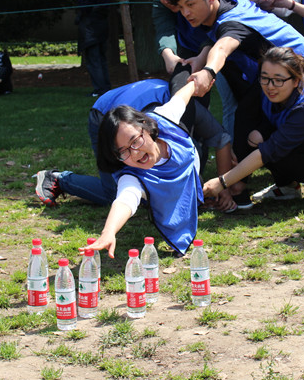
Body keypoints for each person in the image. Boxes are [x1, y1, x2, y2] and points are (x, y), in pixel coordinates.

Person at [166, 0, 304, 208]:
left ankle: (238, 188)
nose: (185, 12)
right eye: (181, 7)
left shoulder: (231, 22)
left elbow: (223, 47)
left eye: (190, 4)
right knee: (249, 119)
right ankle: (273, 185)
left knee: (257, 122)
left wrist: (208, 71)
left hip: (297, 66)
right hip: (276, 67)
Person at [35, 79, 236, 257]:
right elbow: (125, 199)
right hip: (104, 113)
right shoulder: (131, 176)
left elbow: (181, 97)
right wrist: (109, 232)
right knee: (111, 193)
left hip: (144, 97)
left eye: (136, 142)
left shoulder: (165, 117)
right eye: (123, 152)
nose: (135, 154)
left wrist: (199, 78)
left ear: (147, 128)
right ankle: (58, 178)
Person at [203, 47, 304, 213]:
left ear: (296, 80)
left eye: (278, 80)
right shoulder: (269, 89)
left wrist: (223, 182)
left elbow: (272, 148)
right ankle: (287, 187)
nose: (270, 86)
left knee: (277, 149)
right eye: (264, 78)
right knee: (259, 139)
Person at [152, 0, 237, 140]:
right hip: (189, 51)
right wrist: (169, 56)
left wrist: (204, 58)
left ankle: (234, 152)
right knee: (184, 93)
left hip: (227, 47)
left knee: (234, 99)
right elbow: (164, 30)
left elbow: (223, 23)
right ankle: (188, 147)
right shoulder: (163, 2)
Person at [72, 0, 113, 97]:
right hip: (102, 26)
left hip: (91, 28)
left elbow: (86, 8)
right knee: (101, 59)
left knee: (93, 60)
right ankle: (106, 87)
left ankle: (99, 90)